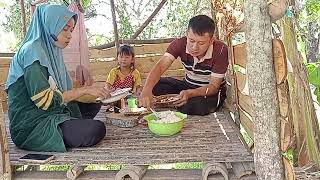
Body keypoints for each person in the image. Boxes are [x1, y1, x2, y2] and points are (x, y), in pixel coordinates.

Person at [5, 4, 110, 152]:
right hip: (31, 127)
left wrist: (98, 94)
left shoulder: (52, 52)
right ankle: (69, 128)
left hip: (51, 114)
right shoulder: (32, 51)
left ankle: (72, 126)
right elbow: (45, 100)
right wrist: (84, 90)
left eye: (71, 30)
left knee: (95, 103)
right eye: (65, 29)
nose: (69, 35)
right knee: (97, 129)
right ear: (50, 25)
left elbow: (63, 91)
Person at [139, 15, 228, 115]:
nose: (194, 47)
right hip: (187, 85)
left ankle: (179, 102)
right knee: (154, 84)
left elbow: (213, 87)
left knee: (193, 106)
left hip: (209, 92)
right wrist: (146, 89)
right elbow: (160, 67)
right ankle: (179, 100)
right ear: (187, 35)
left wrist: (190, 93)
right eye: (191, 40)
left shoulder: (220, 50)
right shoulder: (179, 44)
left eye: (201, 43)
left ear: (211, 41)